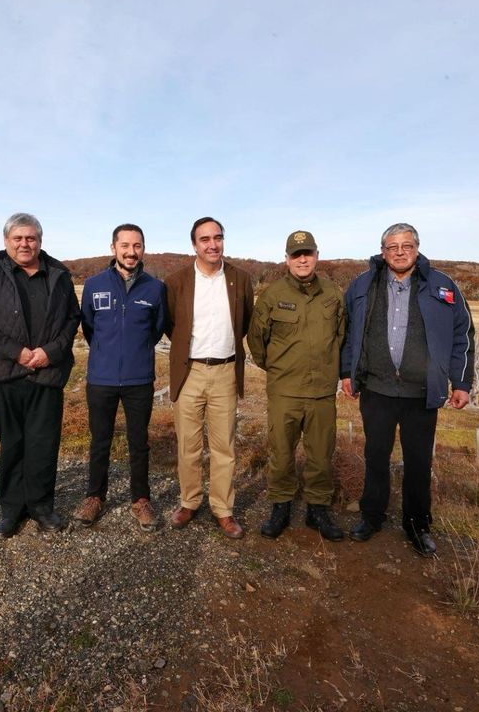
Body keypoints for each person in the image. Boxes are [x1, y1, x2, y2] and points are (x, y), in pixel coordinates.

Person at [340, 222, 474, 557]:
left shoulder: (442, 286)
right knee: (375, 456)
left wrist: (461, 382)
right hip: (377, 387)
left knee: (418, 462)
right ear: (382, 251)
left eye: (407, 246)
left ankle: (417, 525)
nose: (400, 252)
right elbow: (348, 332)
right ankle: (371, 516)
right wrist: (347, 373)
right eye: (393, 246)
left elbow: (463, 335)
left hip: (421, 392)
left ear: (417, 248)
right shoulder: (362, 284)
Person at [0, 213, 81, 536]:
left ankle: (41, 506)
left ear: (40, 241)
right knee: (12, 443)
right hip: (4, 372)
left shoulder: (58, 272)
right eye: (17, 238)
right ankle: (11, 508)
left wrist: (50, 352)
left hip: (47, 372)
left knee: (43, 444)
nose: (24, 244)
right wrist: (15, 351)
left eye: (31, 238)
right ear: (6, 241)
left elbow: (72, 318)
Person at [247, 231, 346, 541]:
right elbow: (256, 340)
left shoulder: (333, 293)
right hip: (284, 391)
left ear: (317, 255)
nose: (302, 260)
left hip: (321, 392)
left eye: (307, 253)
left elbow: (341, 336)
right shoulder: (272, 295)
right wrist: (278, 369)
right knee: (281, 453)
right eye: (296, 255)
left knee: (321, 454)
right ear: (287, 259)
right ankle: (281, 507)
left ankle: (318, 510)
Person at [164, 217, 254, 539]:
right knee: (188, 444)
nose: (213, 244)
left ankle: (223, 509)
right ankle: (189, 501)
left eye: (218, 237)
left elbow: (244, 322)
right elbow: (171, 325)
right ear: (194, 245)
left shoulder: (240, 279)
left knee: (223, 446)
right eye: (205, 239)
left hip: (226, 371)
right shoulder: (176, 282)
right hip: (190, 371)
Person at [73, 223, 167, 532]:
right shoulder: (94, 285)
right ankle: (95, 496)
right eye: (125, 245)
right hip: (101, 378)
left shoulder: (155, 288)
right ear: (113, 248)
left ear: (143, 249)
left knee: (139, 442)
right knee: (100, 440)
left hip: (139, 379)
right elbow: (89, 327)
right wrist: (108, 352)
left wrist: (136, 352)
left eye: (137, 245)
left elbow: (155, 330)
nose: (131, 251)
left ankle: (140, 500)